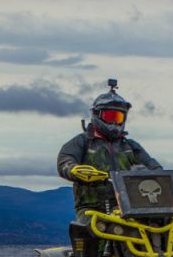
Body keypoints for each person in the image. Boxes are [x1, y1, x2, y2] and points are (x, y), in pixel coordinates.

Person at [57, 79, 162, 222]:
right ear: (97, 114)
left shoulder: (130, 146)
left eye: (118, 117)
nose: (114, 122)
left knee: (157, 224)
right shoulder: (83, 142)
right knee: (90, 230)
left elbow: (153, 167)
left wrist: (168, 182)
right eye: (110, 116)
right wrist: (73, 169)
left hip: (130, 205)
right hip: (91, 206)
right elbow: (65, 159)